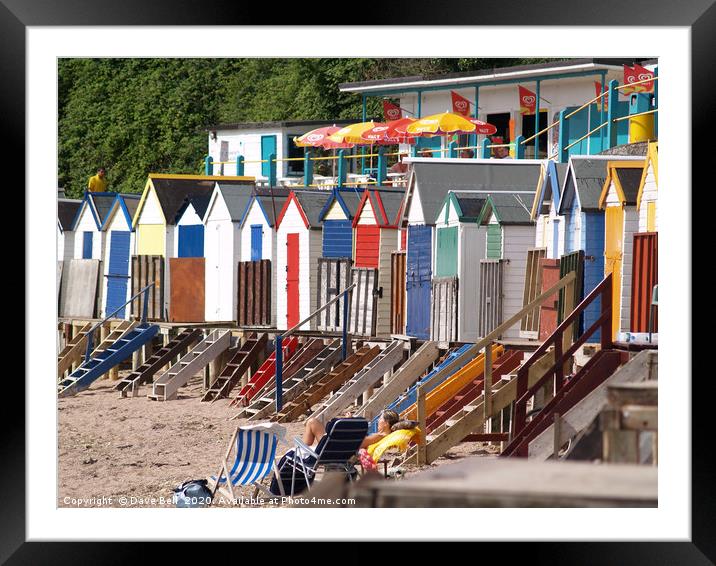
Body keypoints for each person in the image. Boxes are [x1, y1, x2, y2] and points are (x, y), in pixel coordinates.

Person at [302, 409, 401, 450]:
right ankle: (304, 451)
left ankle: (302, 452)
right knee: (313, 423)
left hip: (335, 449)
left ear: (386, 423)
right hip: (338, 448)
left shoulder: (379, 436)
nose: (378, 421)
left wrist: (349, 421)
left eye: (380, 419)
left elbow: (355, 444)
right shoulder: (383, 436)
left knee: (312, 422)